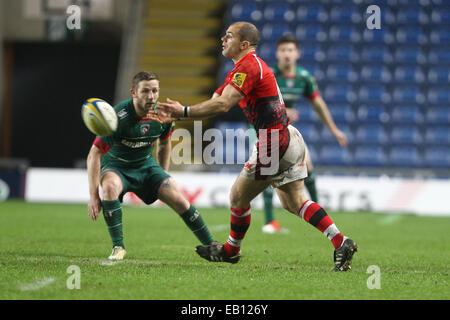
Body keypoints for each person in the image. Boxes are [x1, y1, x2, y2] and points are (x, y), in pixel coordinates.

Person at [149, 22, 357, 271]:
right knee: (294, 202)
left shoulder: (249, 66)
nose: (222, 40)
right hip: (288, 137)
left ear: (244, 44)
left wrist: (182, 112)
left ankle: (230, 251)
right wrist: (180, 113)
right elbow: (217, 98)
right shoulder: (243, 68)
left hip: (273, 143)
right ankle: (341, 241)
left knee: (238, 196)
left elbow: (224, 105)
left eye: (229, 36)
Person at [87, 71, 215, 260]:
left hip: (146, 166)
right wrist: (93, 196)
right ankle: (118, 247)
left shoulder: (161, 114)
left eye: (155, 91)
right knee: (109, 186)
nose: (151, 96)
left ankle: (212, 245)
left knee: (180, 200)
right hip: (117, 166)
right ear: (134, 93)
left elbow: (164, 143)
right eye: (145, 91)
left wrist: (163, 173)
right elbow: (94, 154)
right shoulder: (116, 118)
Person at [258, 34, 349, 234]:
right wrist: (281, 111)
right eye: (283, 50)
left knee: (307, 164)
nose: (286, 54)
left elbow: (319, 105)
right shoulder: (269, 74)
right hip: (262, 128)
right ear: (277, 53)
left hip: (284, 129)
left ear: (297, 53)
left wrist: (334, 131)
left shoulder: (304, 77)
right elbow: (257, 103)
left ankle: (319, 213)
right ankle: (269, 222)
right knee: (268, 168)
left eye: (290, 50)